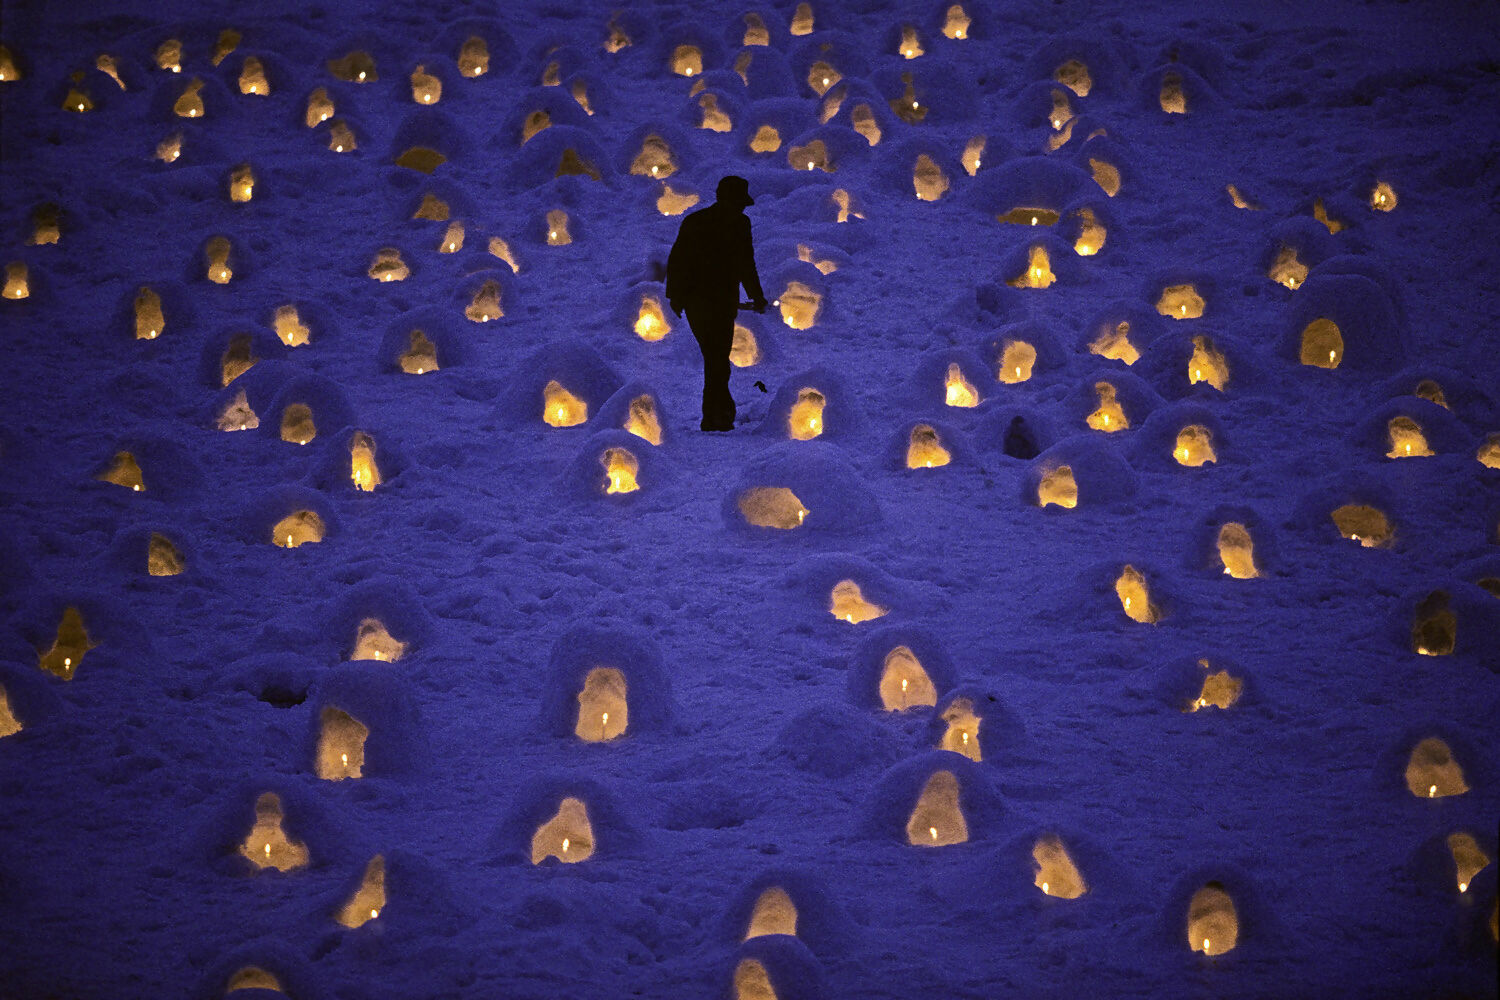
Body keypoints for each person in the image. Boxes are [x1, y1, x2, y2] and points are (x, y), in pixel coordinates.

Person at [666, 176, 767, 431]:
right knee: (716, 358)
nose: (742, 209)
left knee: (716, 358)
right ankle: (718, 416)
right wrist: (676, 297)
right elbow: (679, 261)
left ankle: (716, 415)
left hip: (710, 303)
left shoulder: (715, 223)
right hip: (705, 302)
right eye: (739, 203)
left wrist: (756, 294)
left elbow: (745, 263)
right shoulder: (709, 223)